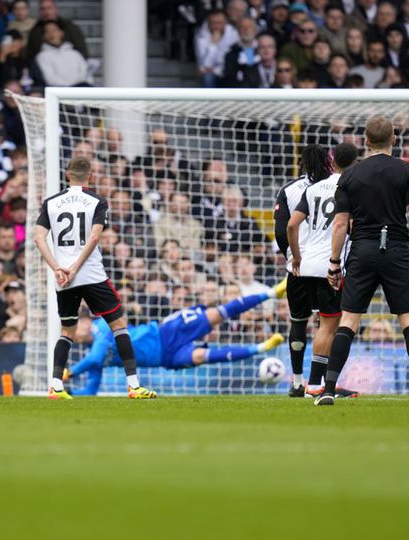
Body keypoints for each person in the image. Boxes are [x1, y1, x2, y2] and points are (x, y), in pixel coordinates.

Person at [317, 116, 409, 406]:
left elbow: (341, 224)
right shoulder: (406, 170)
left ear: (366, 142)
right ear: (394, 139)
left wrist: (334, 263)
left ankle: (328, 390)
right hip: (395, 249)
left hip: (363, 250)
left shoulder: (349, 176)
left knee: (349, 321)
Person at [33, 156, 156, 400]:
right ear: (90, 177)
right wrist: (76, 267)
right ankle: (133, 385)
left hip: (63, 278)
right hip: (90, 273)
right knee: (119, 325)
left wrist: (58, 268)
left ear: (67, 175)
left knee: (67, 330)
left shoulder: (51, 202)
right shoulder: (97, 201)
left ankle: (56, 386)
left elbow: (38, 238)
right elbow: (94, 238)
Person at [65, 282, 287, 396]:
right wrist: (71, 392)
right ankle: (259, 348)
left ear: (84, 322)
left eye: (73, 331)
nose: (75, 336)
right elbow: (91, 389)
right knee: (202, 357)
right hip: (166, 357)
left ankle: (270, 293)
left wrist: (71, 371)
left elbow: (94, 358)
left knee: (217, 314)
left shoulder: (102, 326)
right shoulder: (94, 355)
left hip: (168, 332)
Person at [285, 143, 360, 398]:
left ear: (333, 161)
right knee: (329, 325)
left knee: (323, 324)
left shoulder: (314, 188)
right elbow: (348, 224)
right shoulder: (350, 186)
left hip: (306, 264)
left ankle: (317, 382)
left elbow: (292, 225)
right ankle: (315, 384)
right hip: (331, 265)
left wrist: (296, 256)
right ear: (355, 162)